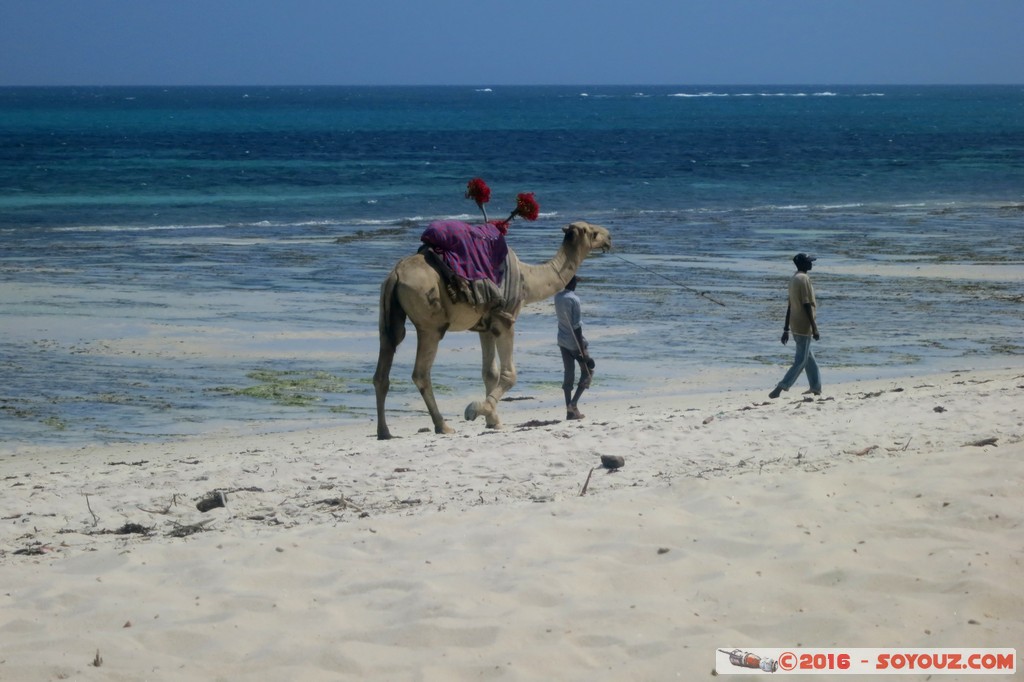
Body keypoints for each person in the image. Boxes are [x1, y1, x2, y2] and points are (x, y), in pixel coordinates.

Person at [769, 253, 821, 399]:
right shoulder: (804, 279)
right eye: (809, 262)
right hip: (804, 324)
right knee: (801, 360)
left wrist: (786, 329)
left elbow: (790, 306)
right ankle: (782, 386)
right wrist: (814, 327)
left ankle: (816, 387)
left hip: (794, 323)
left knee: (808, 357)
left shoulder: (793, 279)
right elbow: (806, 304)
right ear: (803, 264)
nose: (811, 264)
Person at [554, 276, 594, 419]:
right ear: (573, 283)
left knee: (568, 373)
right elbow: (576, 326)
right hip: (574, 343)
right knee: (588, 371)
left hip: (562, 340)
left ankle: (569, 412)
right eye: (576, 282)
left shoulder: (557, 297)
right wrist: (582, 349)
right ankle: (574, 403)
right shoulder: (574, 299)